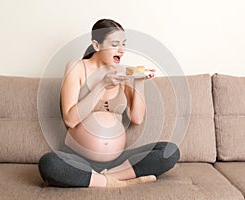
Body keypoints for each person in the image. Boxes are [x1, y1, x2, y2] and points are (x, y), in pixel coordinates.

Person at [38, 19, 180, 188]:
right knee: (50, 164)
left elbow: (137, 118)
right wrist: (101, 85)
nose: (121, 50)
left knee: (169, 151)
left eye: (123, 44)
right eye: (115, 44)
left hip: (117, 162)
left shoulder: (123, 73)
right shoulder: (77, 68)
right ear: (96, 45)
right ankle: (118, 182)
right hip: (77, 158)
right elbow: (70, 119)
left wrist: (139, 81)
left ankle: (105, 178)